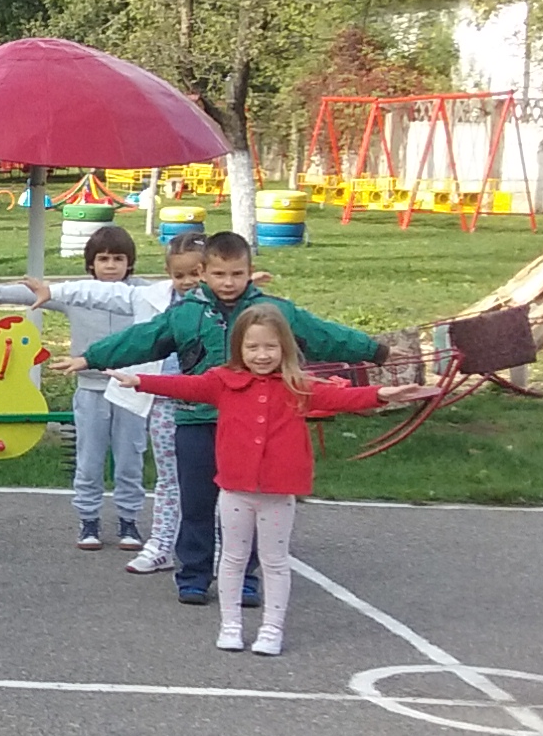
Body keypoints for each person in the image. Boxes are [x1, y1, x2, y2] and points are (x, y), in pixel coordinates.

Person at [66, 230, 389, 607]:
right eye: (219, 274)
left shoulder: (272, 311)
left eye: (237, 274)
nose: (228, 282)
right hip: (196, 420)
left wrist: (374, 351)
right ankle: (194, 575)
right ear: (203, 272)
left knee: (248, 505)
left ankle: (245, 578)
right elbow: (143, 338)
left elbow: (321, 333)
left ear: (250, 272)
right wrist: (92, 357)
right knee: (196, 503)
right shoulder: (186, 312)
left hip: (249, 425)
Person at [112, 305, 426, 655]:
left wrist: (380, 394)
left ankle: (272, 629)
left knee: (274, 561)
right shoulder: (222, 381)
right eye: (253, 347)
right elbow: (186, 385)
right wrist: (140, 381)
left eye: (270, 347)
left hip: (278, 491)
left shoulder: (298, 385)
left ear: (284, 348)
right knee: (232, 558)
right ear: (239, 348)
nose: (262, 355)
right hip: (235, 489)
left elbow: (340, 397)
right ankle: (230, 625)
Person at [0, 224, 151, 551]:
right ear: (91, 264)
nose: (111, 265)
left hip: (133, 391)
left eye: (118, 259)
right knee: (89, 459)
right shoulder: (77, 294)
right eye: (103, 259)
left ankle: (129, 522)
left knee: (131, 458)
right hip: (91, 391)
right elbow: (33, 293)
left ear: (130, 262)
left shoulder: (145, 293)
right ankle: (88, 520)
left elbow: (181, 294)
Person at [48, 232, 208, 575]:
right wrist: (89, 358)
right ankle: (159, 543)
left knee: (212, 479)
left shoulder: (225, 308)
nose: (187, 282)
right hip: (159, 397)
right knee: (166, 478)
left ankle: (221, 548)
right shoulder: (154, 299)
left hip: (210, 403)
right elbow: (133, 337)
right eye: (179, 275)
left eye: (197, 273)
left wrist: (246, 289)